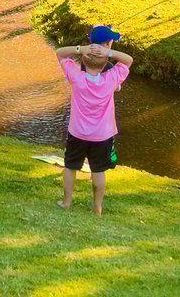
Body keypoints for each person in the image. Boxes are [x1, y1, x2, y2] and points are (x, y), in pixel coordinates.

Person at [53, 26, 133, 215]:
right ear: (106, 59)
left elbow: (60, 53)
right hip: (102, 136)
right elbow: (128, 61)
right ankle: (97, 207)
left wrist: (81, 49)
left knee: (71, 166)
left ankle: (66, 202)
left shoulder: (76, 76)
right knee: (98, 171)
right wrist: (109, 52)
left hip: (77, 133)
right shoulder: (112, 78)